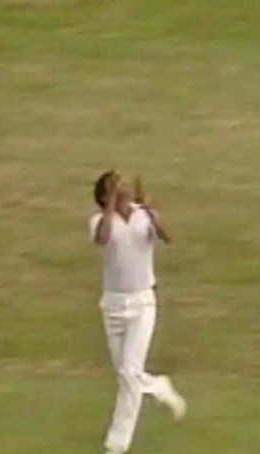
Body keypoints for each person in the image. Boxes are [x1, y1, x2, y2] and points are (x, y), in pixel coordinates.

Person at [89, 170, 186, 454]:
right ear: (105, 196)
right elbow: (102, 238)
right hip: (113, 306)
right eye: (115, 186)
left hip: (143, 303)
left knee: (130, 372)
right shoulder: (100, 220)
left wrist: (152, 213)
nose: (123, 187)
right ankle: (157, 386)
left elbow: (167, 237)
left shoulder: (143, 214)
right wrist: (111, 205)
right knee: (126, 375)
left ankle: (116, 445)